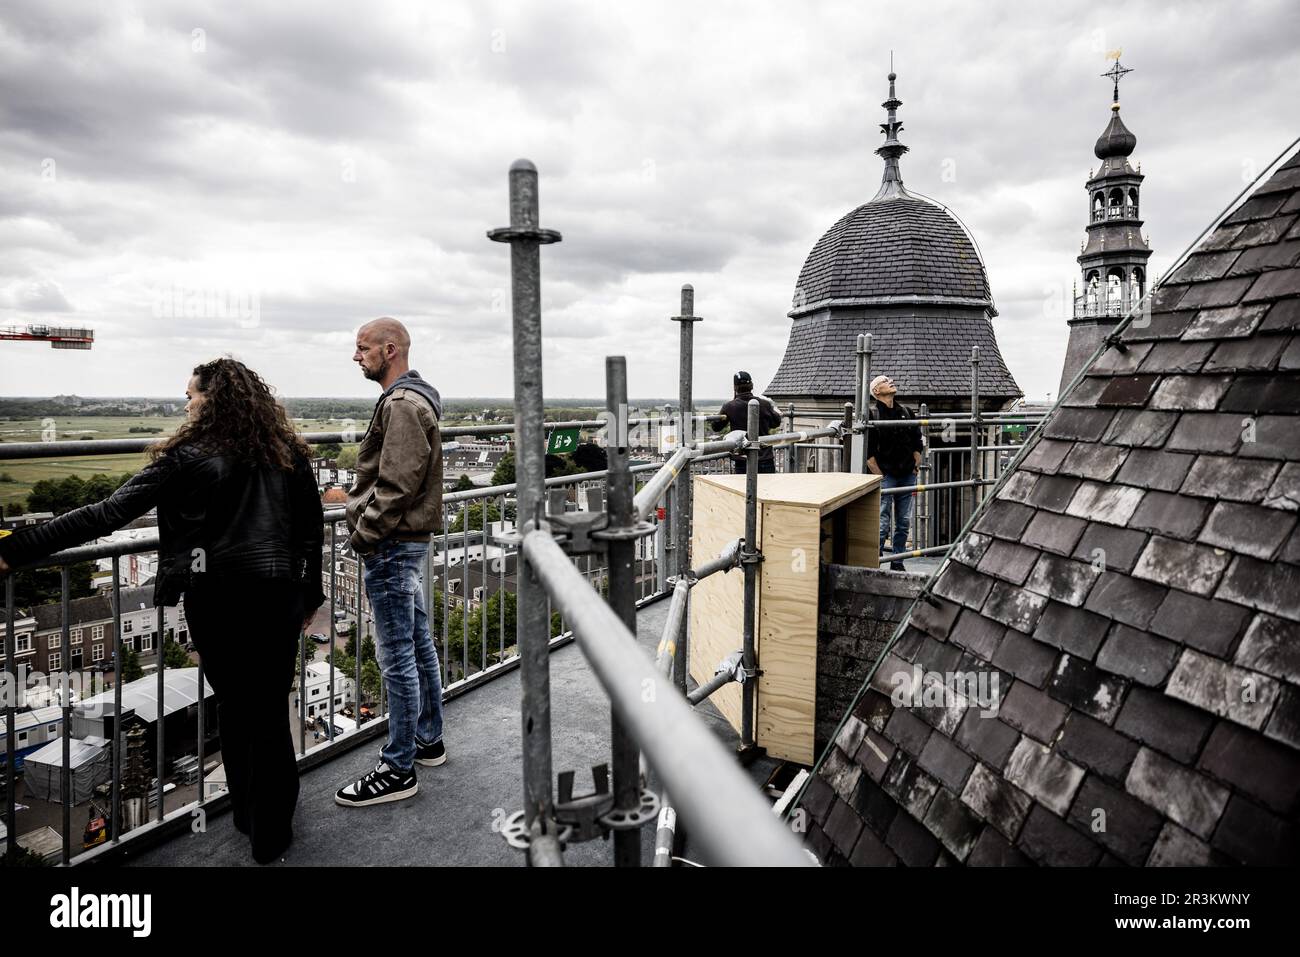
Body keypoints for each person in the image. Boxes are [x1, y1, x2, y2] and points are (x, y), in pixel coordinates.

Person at [0, 358, 324, 864]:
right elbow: (310, 530)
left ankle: (246, 813)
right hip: (277, 599)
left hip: (217, 602)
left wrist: (17, 548)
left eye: (191, 395)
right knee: (268, 715)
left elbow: (106, 515)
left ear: (211, 399)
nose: (187, 402)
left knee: (236, 710)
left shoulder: (186, 456)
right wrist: (311, 594)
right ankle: (272, 833)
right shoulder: (288, 453)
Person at [335, 317, 446, 808]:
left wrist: (363, 535)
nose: (356, 356)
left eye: (363, 348)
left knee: (396, 654)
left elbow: (396, 484)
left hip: (392, 545)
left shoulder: (401, 405)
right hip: (407, 542)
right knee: (418, 643)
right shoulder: (418, 397)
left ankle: (398, 768)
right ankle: (429, 740)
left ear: (390, 349)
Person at [865, 374, 923, 571]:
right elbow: (868, 451)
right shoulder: (873, 416)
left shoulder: (906, 412)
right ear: (876, 391)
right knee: (882, 521)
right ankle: (874, 561)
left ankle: (897, 561)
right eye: (884, 380)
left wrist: (916, 464)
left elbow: (917, 440)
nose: (889, 381)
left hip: (906, 473)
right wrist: (879, 475)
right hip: (887, 475)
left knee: (904, 521)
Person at [712, 371, 782, 474]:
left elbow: (716, 427)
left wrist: (721, 416)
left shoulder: (730, 406)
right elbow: (776, 423)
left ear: (735, 387)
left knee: (743, 489)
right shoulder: (764, 404)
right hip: (765, 458)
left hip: (743, 459)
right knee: (767, 489)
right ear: (752, 385)